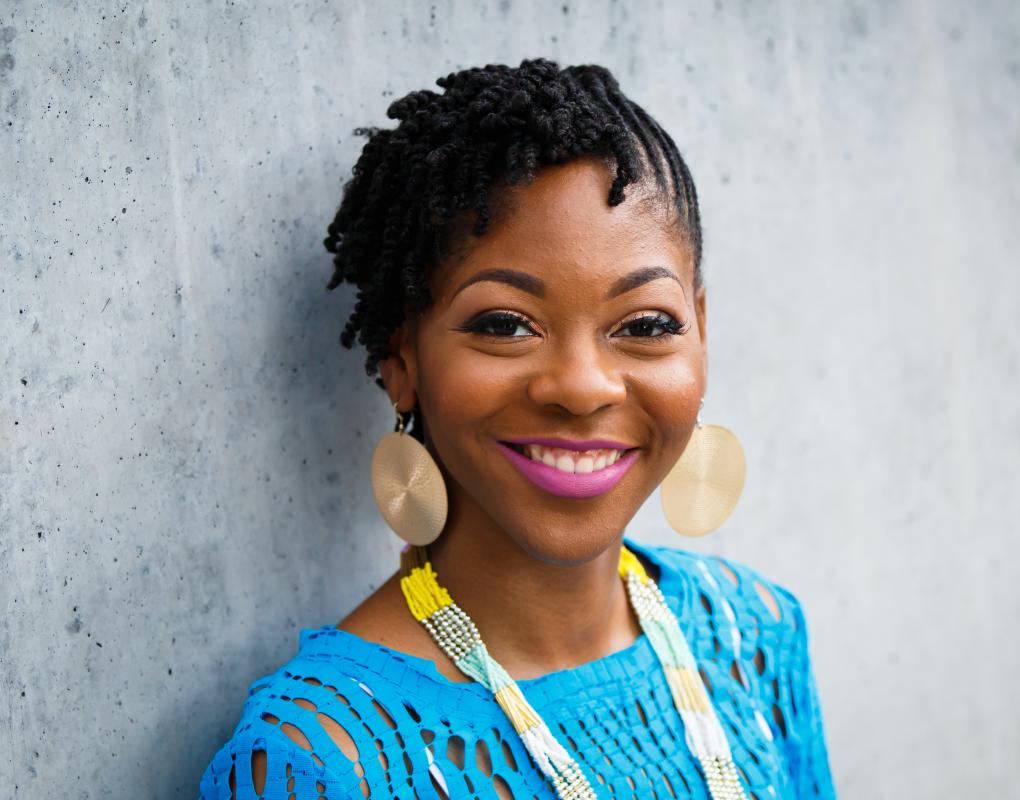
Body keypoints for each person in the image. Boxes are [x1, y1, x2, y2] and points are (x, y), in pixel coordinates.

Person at [196, 57, 835, 800]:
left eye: (646, 324)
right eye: (505, 325)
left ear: (701, 332)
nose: (580, 387)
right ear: (400, 358)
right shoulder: (324, 761)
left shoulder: (751, 641)